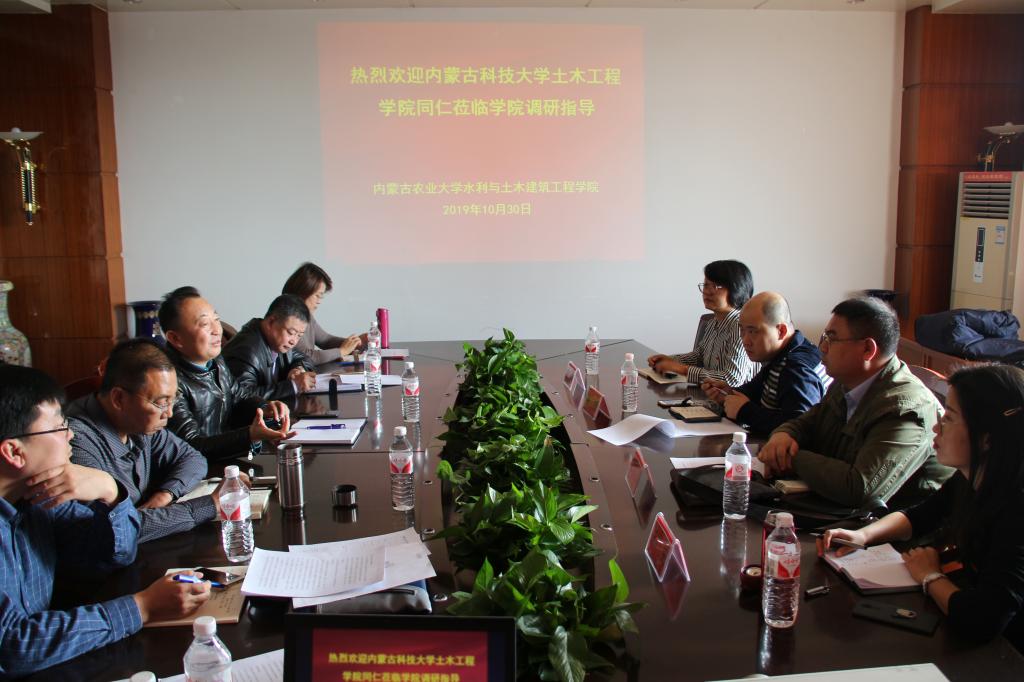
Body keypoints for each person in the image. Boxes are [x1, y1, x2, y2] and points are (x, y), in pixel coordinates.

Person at [0, 365, 210, 676]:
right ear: (14, 452)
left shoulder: (36, 499)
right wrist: (142, 607)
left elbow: (116, 554)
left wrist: (110, 491)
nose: (70, 435)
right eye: (59, 428)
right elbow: (12, 647)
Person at [821, 364, 1024, 653]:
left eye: (949, 418)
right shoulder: (974, 476)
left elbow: (983, 619)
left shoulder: (1016, 509)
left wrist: (930, 576)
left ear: (986, 438)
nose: (936, 427)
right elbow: (922, 515)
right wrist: (863, 536)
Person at [759, 297, 952, 508]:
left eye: (831, 339)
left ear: (868, 349)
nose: (822, 347)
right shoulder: (846, 382)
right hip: (834, 509)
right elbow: (808, 422)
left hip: (887, 524)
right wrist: (784, 434)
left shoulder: (905, 409)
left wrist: (791, 457)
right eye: (824, 337)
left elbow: (860, 488)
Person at [67, 339, 226, 543]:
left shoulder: (138, 422)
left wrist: (165, 494)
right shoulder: (75, 442)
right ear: (118, 399)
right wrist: (210, 505)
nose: (169, 413)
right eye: (162, 402)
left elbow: (192, 458)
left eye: (173, 400)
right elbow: (115, 530)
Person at [159, 286, 293, 461]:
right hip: (200, 469)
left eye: (216, 319)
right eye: (205, 324)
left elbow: (239, 396)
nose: (217, 330)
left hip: (228, 461)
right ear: (176, 338)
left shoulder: (216, 361)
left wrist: (265, 408)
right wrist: (249, 435)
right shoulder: (168, 383)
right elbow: (191, 445)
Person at [702, 291, 829, 434]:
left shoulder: (797, 368)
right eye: (742, 330)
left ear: (781, 331)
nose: (745, 341)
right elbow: (755, 389)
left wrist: (745, 411)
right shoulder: (780, 354)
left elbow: (800, 426)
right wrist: (728, 393)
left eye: (753, 332)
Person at [647, 259, 758, 386]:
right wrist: (671, 360)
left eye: (715, 286)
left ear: (737, 289)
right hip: (710, 393)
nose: (707, 291)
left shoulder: (740, 326)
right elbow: (699, 356)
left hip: (736, 396)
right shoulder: (713, 322)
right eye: (705, 285)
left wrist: (682, 369)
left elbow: (733, 379)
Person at [222, 294, 317, 401]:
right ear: (271, 322)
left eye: (299, 335)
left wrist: (297, 369)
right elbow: (242, 397)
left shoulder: (278, 342)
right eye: (291, 332)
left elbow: (303, 358)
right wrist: (293, 386)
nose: (293, 341)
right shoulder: (246, 351)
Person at [282, 262, 363, 364]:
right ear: (304, 291)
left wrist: (355, 343)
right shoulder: (288, 317)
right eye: (317, 296)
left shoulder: (305, 315)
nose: (319, 301)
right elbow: (306, 356)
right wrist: (342, 351)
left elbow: (325, 340)